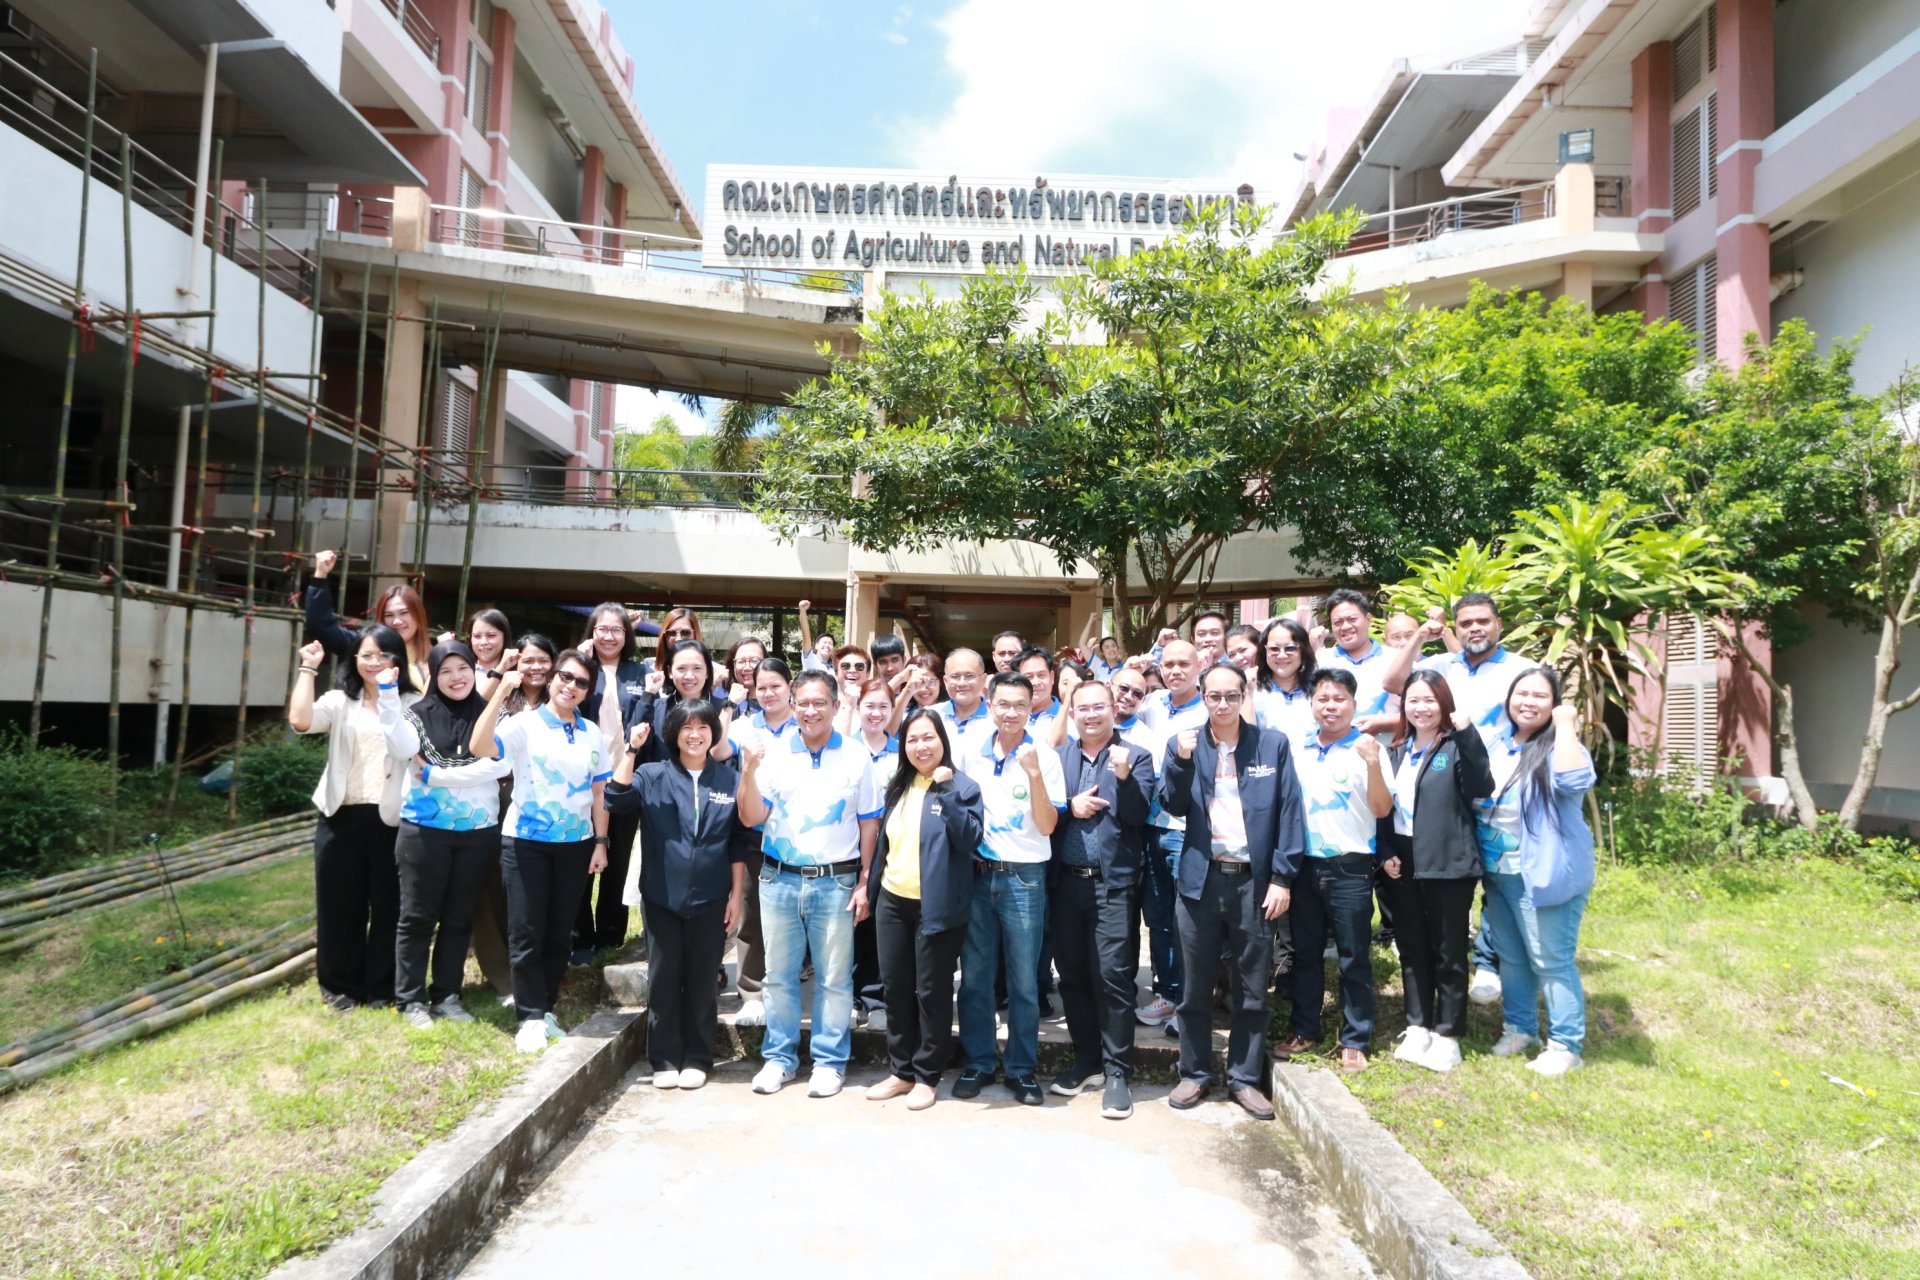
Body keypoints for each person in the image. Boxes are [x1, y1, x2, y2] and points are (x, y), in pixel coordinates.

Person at [1157, 662, 1303, 1119]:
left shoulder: (1271, 745)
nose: (1222, 705)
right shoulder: (1184, 743)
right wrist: (1180, 761)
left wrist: (1282, 877)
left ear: (1244, 697)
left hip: (1254, 884)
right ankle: (1194, 1072)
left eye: (1231, 696)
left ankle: (1244, 1078)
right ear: (1202, 696)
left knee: (1252, 988)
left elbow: (1290, 812)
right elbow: (1172, 803)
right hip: (1201, 881)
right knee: (1195, 986)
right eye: (1213, 696)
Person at [736, 670, 883, 1098]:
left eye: (821, 702)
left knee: (835, 979)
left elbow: (869, 822)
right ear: (793, 705)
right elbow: (750, 818)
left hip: (835, 881)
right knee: (778, 977)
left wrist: (865, 879)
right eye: (804, 703)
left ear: (837, 706)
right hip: (778, 878)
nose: (811, 710)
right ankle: (779, 1059)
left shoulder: (857, 757)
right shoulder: (774, 752)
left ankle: (828, 1062)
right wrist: (748, 770)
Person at [469, 649, 612, 1053]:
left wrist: (600, 842)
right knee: (527, 929)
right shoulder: (523, 724)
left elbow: (600, 793)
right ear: (551, 678)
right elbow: (479, 745)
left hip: (576, 843)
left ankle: (545, 1008)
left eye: (581, 682)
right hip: (526, 842)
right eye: (565, 677)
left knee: (557, 932)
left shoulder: (592, 734)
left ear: (588, 691)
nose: (570, 686)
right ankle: (529, 1016)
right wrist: (501, 691)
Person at [605, 700, 752, 1090]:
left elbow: (738, 843)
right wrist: (632, 750)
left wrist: (735, 896)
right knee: (664, 978)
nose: (695, 734)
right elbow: (615, 800)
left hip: (712, 898)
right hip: (661, 897)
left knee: (703, 980)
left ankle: (698, 1057)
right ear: (674, 734)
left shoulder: (729, 780)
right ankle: (665, 1057)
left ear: (713, 733)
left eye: (703, 727)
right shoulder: (653, 774)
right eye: (686, 727)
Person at [1381, 592, 1520, 1002]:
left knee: (1500, 884)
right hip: (1440, 789)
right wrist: (1427, 635)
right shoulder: (1442, 666)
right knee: (1442, 898)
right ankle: (1446, 981)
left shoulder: (1519, 669)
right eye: (1465, 624)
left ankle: (1490, 964)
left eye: (1483, 621)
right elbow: (1394, 682)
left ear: (1499, 622)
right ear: (1454, 629)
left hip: (1498, 793)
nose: (1475, 629)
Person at [287, 625, 420, 1011]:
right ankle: (339, 986)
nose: (374, 662)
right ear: (355, 660)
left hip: (391, 818)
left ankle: (383, 988)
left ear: (397, 658)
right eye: (366, 655)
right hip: (341, 815)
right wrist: (309, 669)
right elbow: (300, 720)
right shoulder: (341, 700)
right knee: (339, 905)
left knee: (390, 907)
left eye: (383, 654)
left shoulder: (414, 702)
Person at [1476, 666, 1596, 1077]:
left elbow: (1574, 779)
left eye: (1540, 696)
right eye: (1521, 693)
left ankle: (1565, 1044)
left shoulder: (1560, 747)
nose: (1528, 702)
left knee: (1551, 959)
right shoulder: (1497, 742)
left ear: (1555, 704)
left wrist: (1566, 724)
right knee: (1511, 956)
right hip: (1498, 873)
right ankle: (1520, 1028)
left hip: (1542, 876)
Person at [952, 671, 1064, 1106]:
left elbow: (1049, 825)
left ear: (1032, 704)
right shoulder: (970, 748)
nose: (1011, 713)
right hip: (978, 875)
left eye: (1021, 704)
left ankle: (1021, 1068)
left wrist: (1034, 774)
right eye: (1003, 704)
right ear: (989, 701)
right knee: (976, 978)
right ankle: (978, 1062)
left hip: (1024, 877)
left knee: (1023, 980)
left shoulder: (1045, 754)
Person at [1273, 668, 1392, 1073]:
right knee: (1305, 953)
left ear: (1354, 704)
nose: (1330, 706)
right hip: (1303, 866)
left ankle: (1355, 1038)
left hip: (1350, 869)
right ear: (1312, 704)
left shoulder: (1368, 748)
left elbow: (1381, 810)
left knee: (1353, 956)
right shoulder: (1298, 748)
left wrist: (1374, 764)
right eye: (1323, 698)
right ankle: (1305, 1029)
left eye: (1339, 698)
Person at [864, 708, 984, 1110]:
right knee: (895, 988)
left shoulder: (962, 786)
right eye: (912, 739)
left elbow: (969, 840)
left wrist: (946, 792)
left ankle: (927, 1075)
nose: (920, 746)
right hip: (893, 903)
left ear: (942, 741)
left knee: (930, 992)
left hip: (937, 907)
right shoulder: (897, 785)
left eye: (928, 737)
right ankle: (901, 1071)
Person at [1049, 679, 1156, 1119]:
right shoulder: (1059, 758)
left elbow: (1139, 813)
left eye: (1100, 707)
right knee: (1071, 974)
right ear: (1071, 714)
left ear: (1115, 709)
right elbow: (1042, 811)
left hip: (1112, 884)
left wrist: (1126, 777)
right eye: (1083, 708)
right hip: (1065, 884)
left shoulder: (1137, 755)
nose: (1092, 715)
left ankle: (1117, 1071)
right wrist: (1066, 807)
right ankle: (1088, 1060)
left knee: (1112, 975)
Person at [393, 640, 509, 1029]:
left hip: (477, 832)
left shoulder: (493, 714)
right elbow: (404, 753)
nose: (455, 678)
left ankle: (446, 994)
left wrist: (437, 776)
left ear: (474, 671)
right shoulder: (415, 716)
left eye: (462, 669)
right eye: (445, 671)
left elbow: (497, 765)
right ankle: (410, 999)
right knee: (417, 916)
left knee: (460, 916)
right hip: (424, 832)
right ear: (433, 676)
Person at [1383, 670, 1493, 1073]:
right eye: (1414, 700)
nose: (1421, 708)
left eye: (1430, 700)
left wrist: (1467, 732)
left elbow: (1482, 785)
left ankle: (1448, 1034)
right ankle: (1418, 1026)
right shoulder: (1397, 749)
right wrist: (1385, 853)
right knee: (1412, 947)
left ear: (1444, 703)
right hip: (1403, 860)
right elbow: (1384, 808)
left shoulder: (1455, 745)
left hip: (1448, 861)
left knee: (1448, 950)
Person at [1130, 639, 1209, 1030]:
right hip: (1151, 826)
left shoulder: (1211, 707)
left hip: (1187, 830)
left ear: (1199, 666)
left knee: (1187, 920)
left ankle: (1188, 1003)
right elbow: (1117, 699)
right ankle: (1167, 992)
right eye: (1168, 664)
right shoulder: (1153, 703)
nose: (1175, 671)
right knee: (1157, 915)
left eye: (1184, 664)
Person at [719, 656, 798, 1025]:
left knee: (792, 915)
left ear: (790, 687)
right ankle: (751, 991)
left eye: (775, 686)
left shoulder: (806, 723)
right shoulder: (743, 726)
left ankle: (785, 986)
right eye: (761, 687)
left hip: (799, 835)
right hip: (752, 830)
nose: (768, 693)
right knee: (750, 911)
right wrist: (728, 706)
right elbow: (718, 752)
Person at [576, 602, 649, 957]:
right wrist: (579, 660)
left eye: (616, 630)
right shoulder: (579, 671)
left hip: (623, 781)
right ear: (591, 631)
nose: (609, 636)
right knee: (581, 857)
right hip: (581, 780)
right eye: (602, 629)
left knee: (617, 860)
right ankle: (579, 936)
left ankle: (609, 935)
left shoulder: (639, 673)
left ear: (627, 635)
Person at [304, 550, 431, 689]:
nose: (396, 621)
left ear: (418, 616)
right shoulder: (364, 645)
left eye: (404, 613)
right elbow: (321, 627)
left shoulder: (437, 656)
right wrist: (320, 575)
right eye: (389, 615)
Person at [850, 677, 900, 1022]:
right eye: (870, 705)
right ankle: (850, 997)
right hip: (846, 847)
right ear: (858, 707)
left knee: (881, 924)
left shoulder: (903, 751)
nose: (876, 713)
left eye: (884, 706)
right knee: (848, 924)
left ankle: (877, 998)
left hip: (891, 849)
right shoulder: (844, 748)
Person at [1319, 588, 1400, 739]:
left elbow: (1422, 710)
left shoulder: (1396, 659)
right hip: (1335, 753)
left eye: (1352, 619)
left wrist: (1383, 722)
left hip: (1388, 754)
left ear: (1368, 619)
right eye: (1338, 622)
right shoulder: (1321, 661)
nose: (1345, 627)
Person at [1253, 618, 1318, 742]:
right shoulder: (1252, 692)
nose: (1282, 655)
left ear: (1303, 651)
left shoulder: (1320, 691)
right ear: (1264, 651)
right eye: (1274, 649)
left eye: (1290, 648)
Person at [933, 648, 993, 755]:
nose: (962, 683)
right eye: (955, 676)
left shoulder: (997, 718)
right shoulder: (931, 716)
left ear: (983, 679)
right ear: (946, 681)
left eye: (969, 676)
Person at [467, 608, 514, 701]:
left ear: (505, 636)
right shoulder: (462, 671)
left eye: (491, 635)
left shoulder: (518, 672)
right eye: (477, 636)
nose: (483, 642)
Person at [795, 599, 835, 672]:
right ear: (816, 646)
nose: (827, 645)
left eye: (830, 644)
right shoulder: (810, 658)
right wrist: (803, 611)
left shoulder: (835, 668)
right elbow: (806, 636)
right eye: (824, 642)